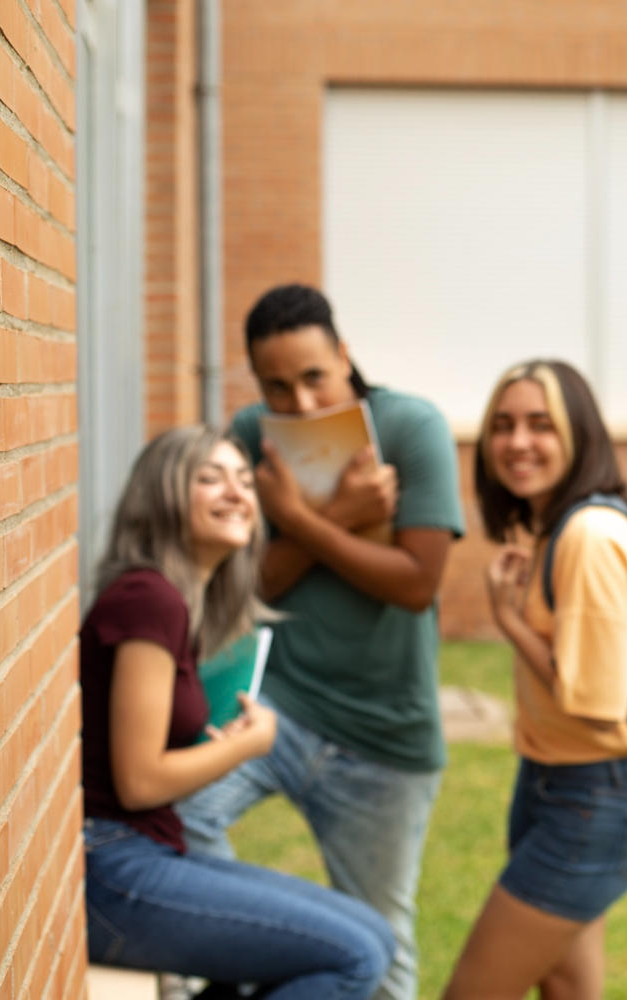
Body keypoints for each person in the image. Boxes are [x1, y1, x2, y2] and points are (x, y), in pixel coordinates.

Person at [177, 284, 465, 1000]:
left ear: (343, 354)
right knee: (177, 820)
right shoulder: (251, 434)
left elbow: (416, 583)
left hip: (382, 735)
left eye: (314, 377)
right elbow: (245, 588)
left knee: (384, 946)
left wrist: (301, 521)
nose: (300, 403)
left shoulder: (412, 427)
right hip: (276, 708)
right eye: (276, 386)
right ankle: (255, 961)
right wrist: (336, 516)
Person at [80, 426, 394, 997]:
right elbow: (139, 781)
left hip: (140, 849)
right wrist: (246, 746)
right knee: (356, 956)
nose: (237, 493)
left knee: (376, 935)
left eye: (245, 481)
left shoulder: (173, 601)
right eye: (210, 478)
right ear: (162, 495)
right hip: (110, 866)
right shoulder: (149, 599)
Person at [443, 360, 627, 1000]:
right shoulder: (564, 528)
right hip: (559, 783)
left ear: (578, 435)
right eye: (503, 425)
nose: (518, 441)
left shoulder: (589, 536)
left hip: (596, 797)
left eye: (540, 424)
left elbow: (596, 703)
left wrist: (509, 620)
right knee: (567, 989)